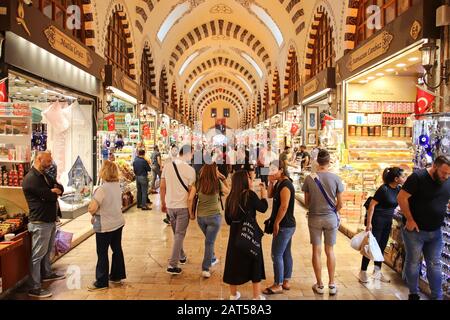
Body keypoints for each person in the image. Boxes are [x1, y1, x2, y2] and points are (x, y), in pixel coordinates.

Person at [397, 155, 450, 300]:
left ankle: (437, 296)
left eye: (448, 174)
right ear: (435, 167)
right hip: (415, 231)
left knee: (435, 264)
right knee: (413, 262)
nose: (446, 176)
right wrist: (410, 219)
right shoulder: (418, 177)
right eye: (443, 173)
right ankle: (413, 293)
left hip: (436, 231)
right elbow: (401, 198)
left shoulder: (447, 179)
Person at [22, 151, 66, 298]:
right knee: (37, 255)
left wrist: (54, 191)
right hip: (40, 222)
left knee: (47, 251)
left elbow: (60, 187)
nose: (50, 164)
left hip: (49, 220)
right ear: (39, 159)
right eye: (47, 161)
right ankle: (34, 287)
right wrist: (52, 193)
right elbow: (49, 195)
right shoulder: (31, 179)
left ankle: (46, 273)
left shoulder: (44, 175)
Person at [302, 149, 343, 296]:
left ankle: (319, 284)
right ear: (329, 161)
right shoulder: (336, 178)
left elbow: (306, 203)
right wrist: (333, 211)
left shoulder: (309, 179)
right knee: (330, 250)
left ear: (317, 162)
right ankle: (332, 284)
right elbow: (340, 204)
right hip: (331, 218)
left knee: (316, 251)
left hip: (314, 218)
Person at [223, 170, 269, 300]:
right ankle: (256, 296)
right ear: (244, 181)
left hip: (235, 235)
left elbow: (228, 220)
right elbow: (263, 208)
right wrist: (264, 195)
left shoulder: (230, 198)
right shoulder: (250, 195)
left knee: (233, 263)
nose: (251, 180)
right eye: (249, 178)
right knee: (255, 260)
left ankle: (233, 295)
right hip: (249, 233)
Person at [359, 167, 406, 284]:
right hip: (377, 221)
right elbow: (372, 206)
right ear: (396, 179)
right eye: (403, 176)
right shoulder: (383, 189)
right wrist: (369, 223)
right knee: (371, 246)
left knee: (381, 247)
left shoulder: (399, 189)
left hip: (387, 222)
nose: (404, 178)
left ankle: (377, 273)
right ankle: (363, 272)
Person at [87, 160, 126, 291]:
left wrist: (92, 210)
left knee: (102, 252)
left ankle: (102, 281)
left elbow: (92, 208)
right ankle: (117, 275)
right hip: (118, 222)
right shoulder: (117, 186)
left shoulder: (102, 189)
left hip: (105, 225)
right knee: (117, 249)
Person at [160, 144, 196, 275]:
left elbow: (162, 186)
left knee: (177, 235)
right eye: (192, 154)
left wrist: (163, 202)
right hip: (182, 207)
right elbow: (192, 191)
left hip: (170, 206)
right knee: (179, 235)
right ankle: (172, 265)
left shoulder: (168, 166)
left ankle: (181, 256)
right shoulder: (190, 170)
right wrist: (191, 211)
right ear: (188, 153)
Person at [263, 160, 296, 295]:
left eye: (273, 169)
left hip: (284, 225)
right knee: (285, 253)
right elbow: (270, 195)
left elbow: (284, 206)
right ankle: (286, 281)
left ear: (281, 170)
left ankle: (278, 284)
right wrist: (270, 182)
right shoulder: (279, 183)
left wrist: (276, 223)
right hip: (286, 225)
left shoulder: (286, 185)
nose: (271, 172)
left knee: (276, 254)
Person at [191, 163, 229, 278]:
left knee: (209, 240)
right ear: (214, 171)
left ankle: (212, 257)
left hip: (201, 218)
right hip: (214, 217)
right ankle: (205, 268)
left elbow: (190, 198)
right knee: (209, 242)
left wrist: (191, 214)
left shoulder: (197, 183)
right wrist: (222, 177)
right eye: (216, 169)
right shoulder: (217, 183)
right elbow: (228, 191)